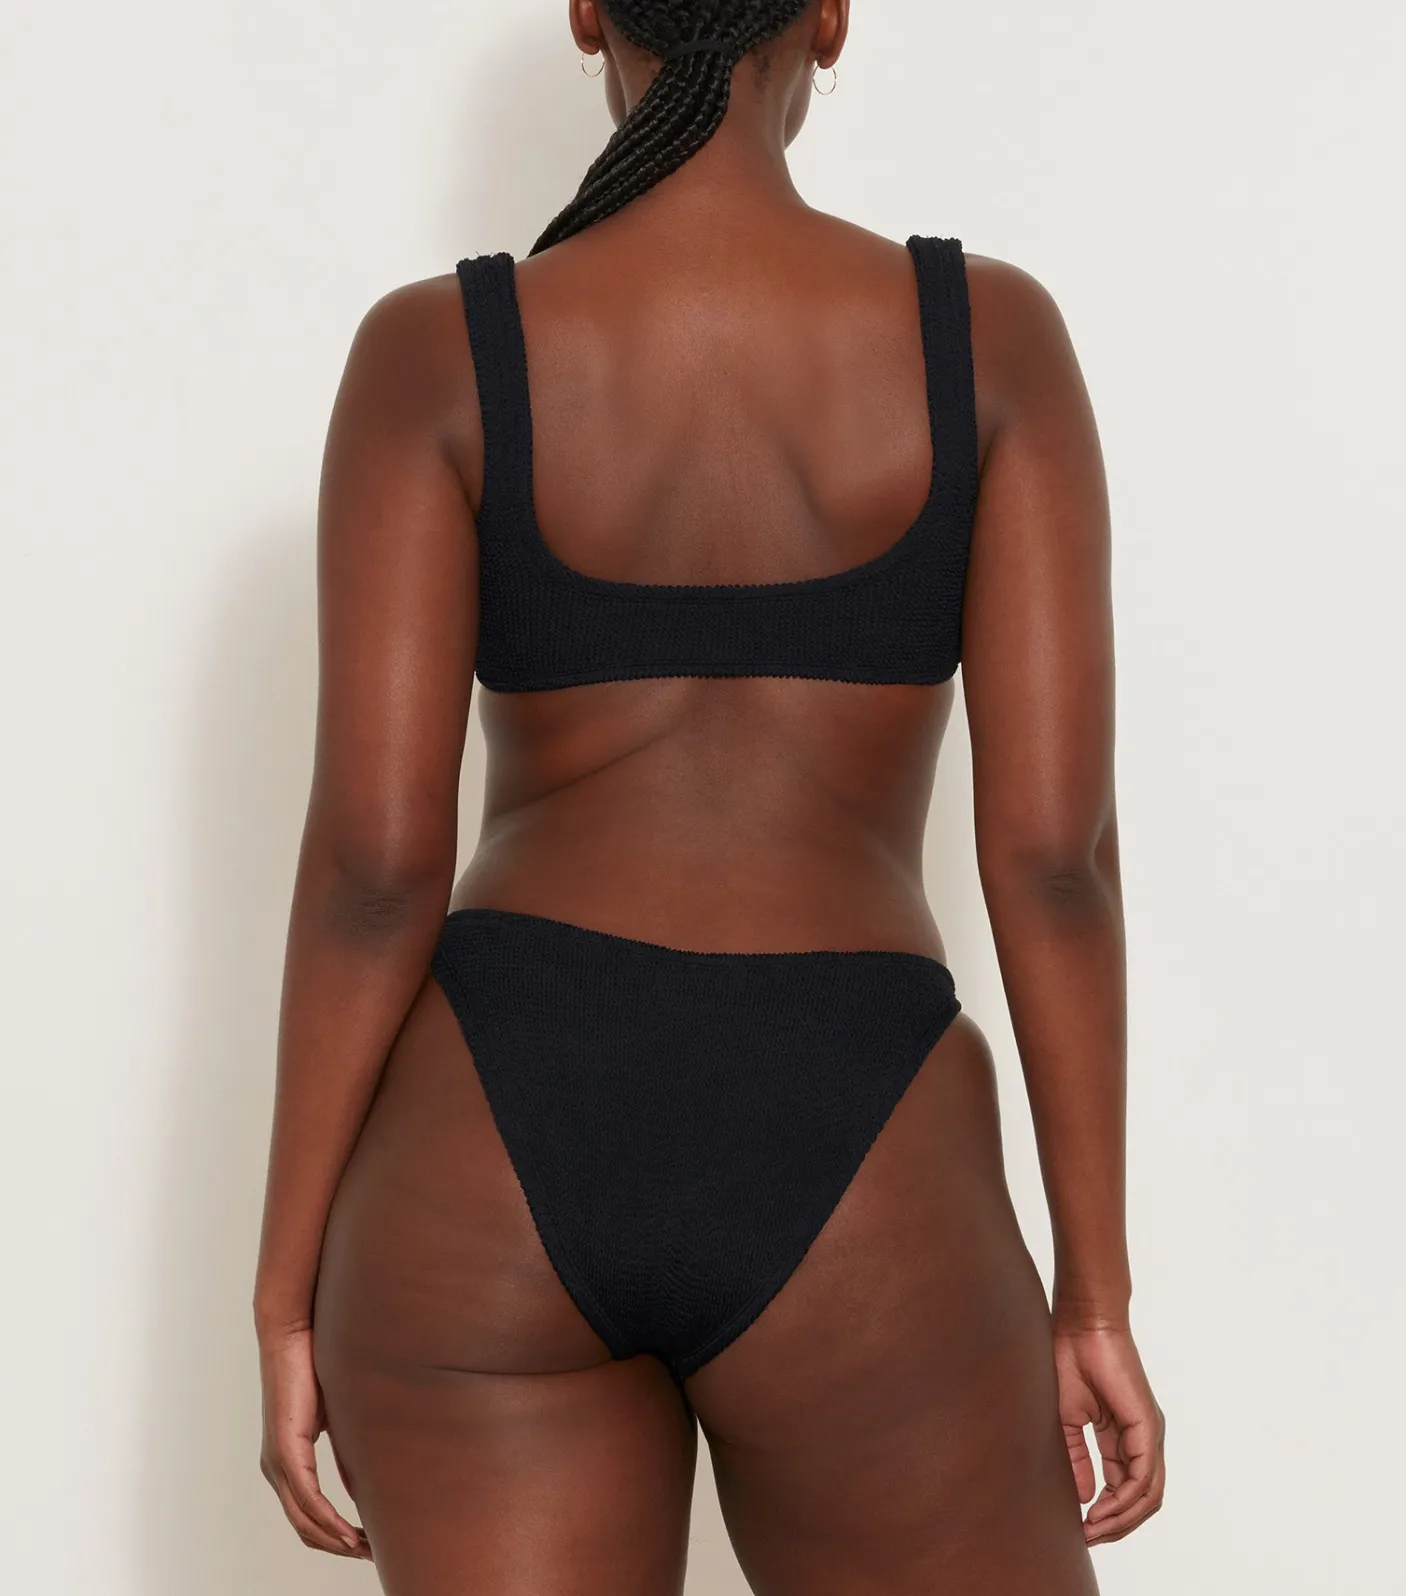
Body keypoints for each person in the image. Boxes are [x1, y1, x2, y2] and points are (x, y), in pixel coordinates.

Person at [253, 1, 1166, 1589]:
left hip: (491, 1141)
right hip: (858, 1122)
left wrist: (283, 1292)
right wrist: (1093, 1290)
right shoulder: (983, 339)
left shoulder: (440, 350)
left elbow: (374, 873)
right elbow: (1051, 861)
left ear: (587, 14)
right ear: (828, 20)